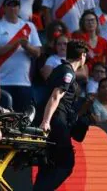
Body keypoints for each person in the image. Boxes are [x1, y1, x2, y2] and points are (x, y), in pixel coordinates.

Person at [35, 40, 89, 191]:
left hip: (57, 120)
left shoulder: (60, 69)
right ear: (82, 56)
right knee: (66, 163)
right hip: (57, 122)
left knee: (49, 164)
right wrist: (46, 122)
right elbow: (55, 96)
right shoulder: (68, 72)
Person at [0, 0, 42, 112]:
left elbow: (38, 52)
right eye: (9, 5)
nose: (12, 8)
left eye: (15, 5)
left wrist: (27, 46)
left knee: (23, 120)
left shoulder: (29, 26)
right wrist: (13, 45)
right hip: (1, 82)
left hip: (24, 83)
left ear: (19, 8)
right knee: (3, 119)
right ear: (4, 8)